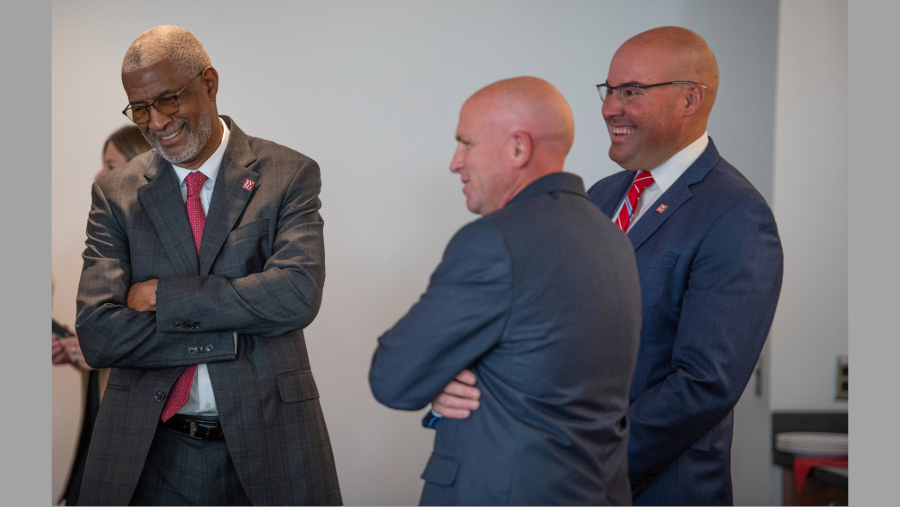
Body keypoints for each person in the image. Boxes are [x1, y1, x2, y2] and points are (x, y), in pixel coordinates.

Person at [432, 26, 785, 506]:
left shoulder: (736, 215)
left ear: (690, 99)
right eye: (609, 90)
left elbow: (703, 384)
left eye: (631, 92)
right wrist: (467, 380)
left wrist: (581, 463)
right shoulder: (599, 196)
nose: (609, 108)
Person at [74, 26, 341, 505]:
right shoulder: (115, 194)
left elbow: (296, 294)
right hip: (148, 449)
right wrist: (233, 333)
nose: (155, 123)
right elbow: (98, 334)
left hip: (271, 442)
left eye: (168, 100)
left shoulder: (288, 175)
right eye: (139, 109)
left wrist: (162, 297)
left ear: (210, 83)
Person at [369, 76, 642, 505]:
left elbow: (393, 378)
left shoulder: (493, 242)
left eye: (467, 144)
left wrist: (437, 377)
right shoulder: (612, 237)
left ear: (518, 147)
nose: (455, 162)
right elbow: (543, 369)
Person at [54, 125, 150, 506]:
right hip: (103, 414)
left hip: (135, 429)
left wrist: (96, 349)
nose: (97, 176)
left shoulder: (157, 251)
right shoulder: (114, 236)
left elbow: (160, 340)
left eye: (109, 165)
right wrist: (82, 352)